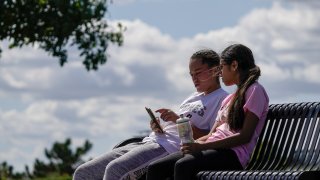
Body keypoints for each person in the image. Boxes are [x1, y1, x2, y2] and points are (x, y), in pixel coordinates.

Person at [73, 49, 228, 180]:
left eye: (198, 73)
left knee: (115, 171)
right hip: (149, 141)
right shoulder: (193, 97)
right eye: (191, 74)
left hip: (168, 148)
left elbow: (210, 137)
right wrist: (158, 126)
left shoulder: (222, 99)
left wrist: (177, 120)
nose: (194, 78)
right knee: (83, 173)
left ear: (215, 71)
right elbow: (176, 125)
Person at [146, 44, 269, 180]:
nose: (220, 73)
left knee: (183, 166)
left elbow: (245, 136)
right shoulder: (229, 99)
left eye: (222, 67)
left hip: (232, 154)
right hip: (211, 148)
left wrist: (203, 146)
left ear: (234, 65)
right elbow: (212, 134)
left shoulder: (255, 90)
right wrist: (194, 144)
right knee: (156, 168)